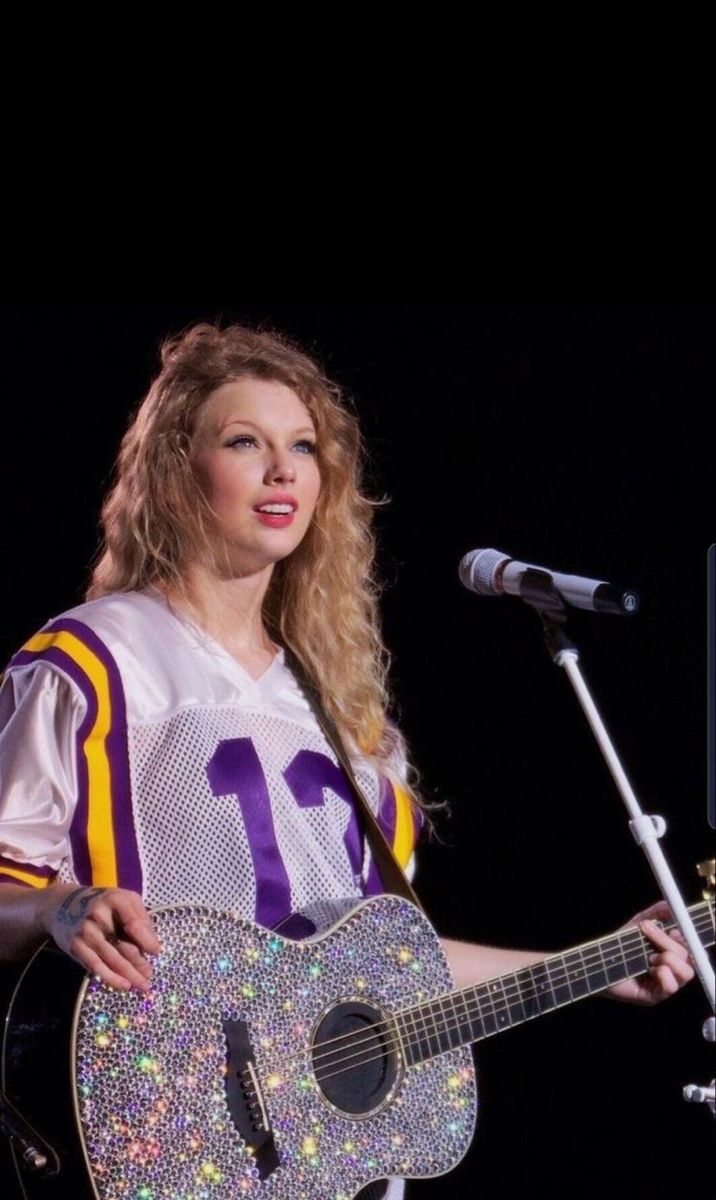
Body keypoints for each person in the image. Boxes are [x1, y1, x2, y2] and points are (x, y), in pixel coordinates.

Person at [0, 322, 694, 1199]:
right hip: (154, 1121)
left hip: (327, 1164)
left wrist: (597, 966)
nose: (284, 470)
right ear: (177, 469)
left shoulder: (348, 722)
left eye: (303, 447)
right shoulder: (97, 660)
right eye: (244, 442)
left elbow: (392, 968)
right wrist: (62, 905)